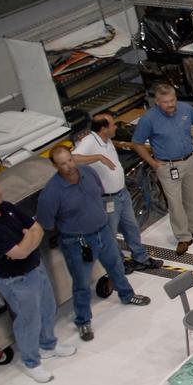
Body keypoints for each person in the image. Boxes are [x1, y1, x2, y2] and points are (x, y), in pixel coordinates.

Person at [35, 146, 151, 342]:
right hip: (77, 242)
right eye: (62, 164)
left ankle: (127, 294)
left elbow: (100, 193)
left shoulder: (88, 172)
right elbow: (46, 222)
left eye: (70, 160)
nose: (69, 166)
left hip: (103, 232)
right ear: (55, 166)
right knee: (81, 283)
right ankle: (83, 321)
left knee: (116, 266)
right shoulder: (51, 193)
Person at [0, 178, 75, 382]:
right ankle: (31, 362)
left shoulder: (8, 208)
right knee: (28, 320)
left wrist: (27, 241)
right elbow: (19, 252)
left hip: (36, 268)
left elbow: (38, 228)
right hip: (16, 280)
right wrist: (28, 240)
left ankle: (48, 344)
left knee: (48, 308)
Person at [72, 112, 164, 271]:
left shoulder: (107, 140)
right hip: (107, 199)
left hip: (122, 194)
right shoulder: (89, 141)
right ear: (103, 128)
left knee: (131, 227)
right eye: (112, 125)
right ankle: (118, 263)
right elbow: (72, 159)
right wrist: (98, 157)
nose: (115, 127)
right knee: (110, 233)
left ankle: (140, 258)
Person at [130, 84, 193, 255]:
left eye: (173, 100)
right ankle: (183, 236)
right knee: (175, 203)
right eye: (166, 102)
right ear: (157, 102)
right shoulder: (149, 119)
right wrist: (152, 163)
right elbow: (137, 143)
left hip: (190, 160)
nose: (170, 104)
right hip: (167, 166)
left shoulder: (186, 109)